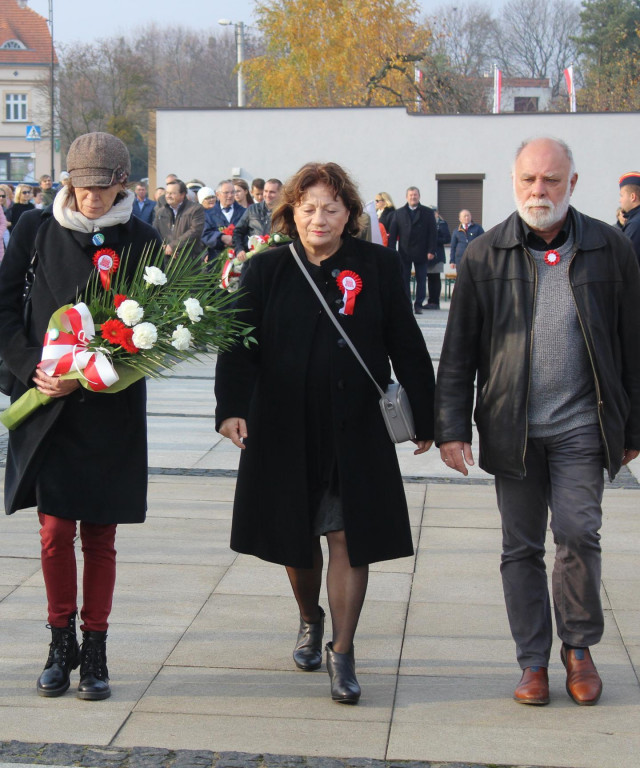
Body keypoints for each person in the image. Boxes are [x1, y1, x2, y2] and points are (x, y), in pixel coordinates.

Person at [215, 161, 435, 705]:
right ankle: (309, 617)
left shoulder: (379, 266)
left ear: (349, 215)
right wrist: (230, 407)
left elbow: (405, 342)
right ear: (291, 213)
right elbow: (239, 343)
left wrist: (428, 418)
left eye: (331, 208)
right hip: (283, 426)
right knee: (296, 535)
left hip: (354, 427)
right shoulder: (266, 269)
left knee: (347, 535)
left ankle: (343, 650)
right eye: (309, 208)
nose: (320, 218)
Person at [435, 137, 640, 707]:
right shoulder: (484, 254)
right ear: (514, 181)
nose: (539, 190)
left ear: (572, 184)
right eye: (529, 179)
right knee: (520, 547)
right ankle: (532, 662)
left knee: (578, 532)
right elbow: (459, 353)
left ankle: (578, 648)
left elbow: (633, 344)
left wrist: (635, 429)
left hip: (583, 424)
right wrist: (451, 427)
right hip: (512, 426)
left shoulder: (610, 248)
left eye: (551, 180)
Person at [0, 132, 159, 701]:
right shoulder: (36, 230)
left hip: (110, 408)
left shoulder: (142, 237)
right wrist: (34, 365)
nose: (90, 198)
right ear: (67, 182)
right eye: (81, 187)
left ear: (122, 186)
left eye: (102, 189)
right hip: (50, 403)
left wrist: (111, 363)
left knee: (100, 535)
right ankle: (61, 642)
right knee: (56, 531)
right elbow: (2, 307)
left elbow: (155, 329)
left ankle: (98, 648)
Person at [387, 186, 437, 314]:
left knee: (421, 280)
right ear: (406, 197)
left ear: (419, 196)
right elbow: (392, 235)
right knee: (404, 280)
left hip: (422, 252)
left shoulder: (427, 212)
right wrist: (391, 251)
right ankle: (407, 305)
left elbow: (433, 233)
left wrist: (431, 250)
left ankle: (418, 305)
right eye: (411, 195)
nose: (413, 197)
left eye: (415, 195)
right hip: (404, 252)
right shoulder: (398, 213)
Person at [152, 179, 206, 258]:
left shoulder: (195, 209)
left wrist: (173, 246)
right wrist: (164, 248)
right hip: (166, 259)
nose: (168, 196)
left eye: (172, 193)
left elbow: (195, 231)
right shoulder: (160, 212)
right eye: (167, 193)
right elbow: (155, 232)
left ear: (183, 194)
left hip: (188, 260)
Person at [232, 177, 282, 252]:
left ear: (280, 193)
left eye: (272, 192)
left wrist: (279, 249)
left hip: (276, 258)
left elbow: (293, 238)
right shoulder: (252, 209)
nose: (267, 195)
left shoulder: (286, 213)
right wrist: (239, 249)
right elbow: (238, 232)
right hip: (253, 258)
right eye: (265, 191)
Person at [202, 180, 246, 263]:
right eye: (226, 193)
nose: (230, 196)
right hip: (216, 260)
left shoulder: (244, 212)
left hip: (239, 259)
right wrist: (221, 237)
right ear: (218, 194)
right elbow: (204, 234)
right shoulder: (208, 214)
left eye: (232, 192)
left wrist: (236, 241)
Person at [424, 207, 450, 309]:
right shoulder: (426, 224)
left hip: (437, 256)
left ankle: (435, 301)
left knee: (435, 278)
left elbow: (447, 238)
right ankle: (430, 301)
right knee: (429, 279)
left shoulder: (442, 224)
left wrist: (433, 239)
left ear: (437, 213)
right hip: (427, 255)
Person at [616, 172, 640, 263]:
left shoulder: (635, 224)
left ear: (633, 197)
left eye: (621, 195)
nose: (620, 200)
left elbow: (625, 262)